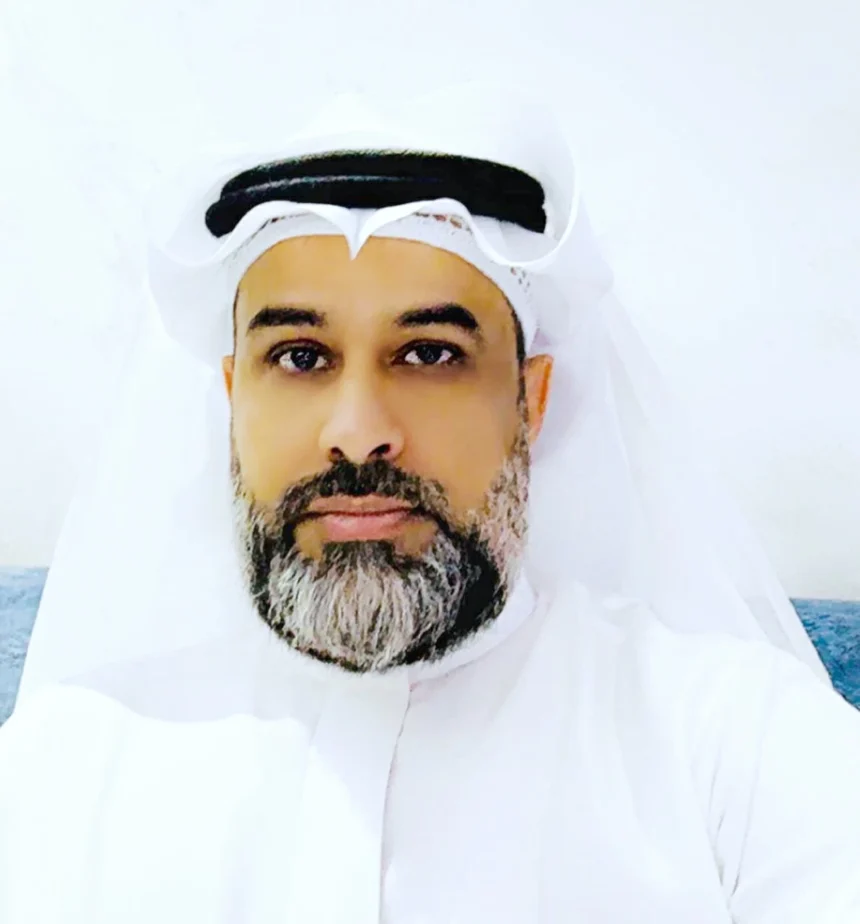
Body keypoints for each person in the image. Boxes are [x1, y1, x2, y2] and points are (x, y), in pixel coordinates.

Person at [1, 85, 858, 923]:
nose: (358, 433)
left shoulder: (739, 748)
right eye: (300, 357)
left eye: (429, 354)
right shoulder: (63, 770)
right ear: (233, 396)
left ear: (530, 400)